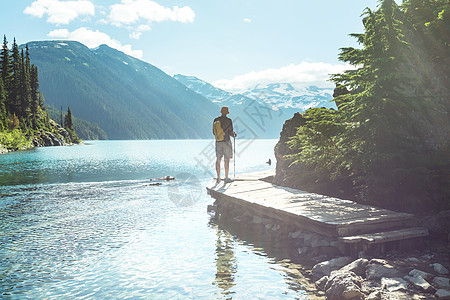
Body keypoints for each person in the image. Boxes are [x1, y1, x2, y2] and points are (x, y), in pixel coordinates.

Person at [213, 106, 236, 183]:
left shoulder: (216, 120)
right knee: (227, 159)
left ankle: (218, 178)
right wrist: (234, 135)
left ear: (221, 112)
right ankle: (226, 177)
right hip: (226, 141)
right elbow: (231, 132)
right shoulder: (229, 120)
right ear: (227, 113)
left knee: (218, 159)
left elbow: (213, 132)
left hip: (218, 141)